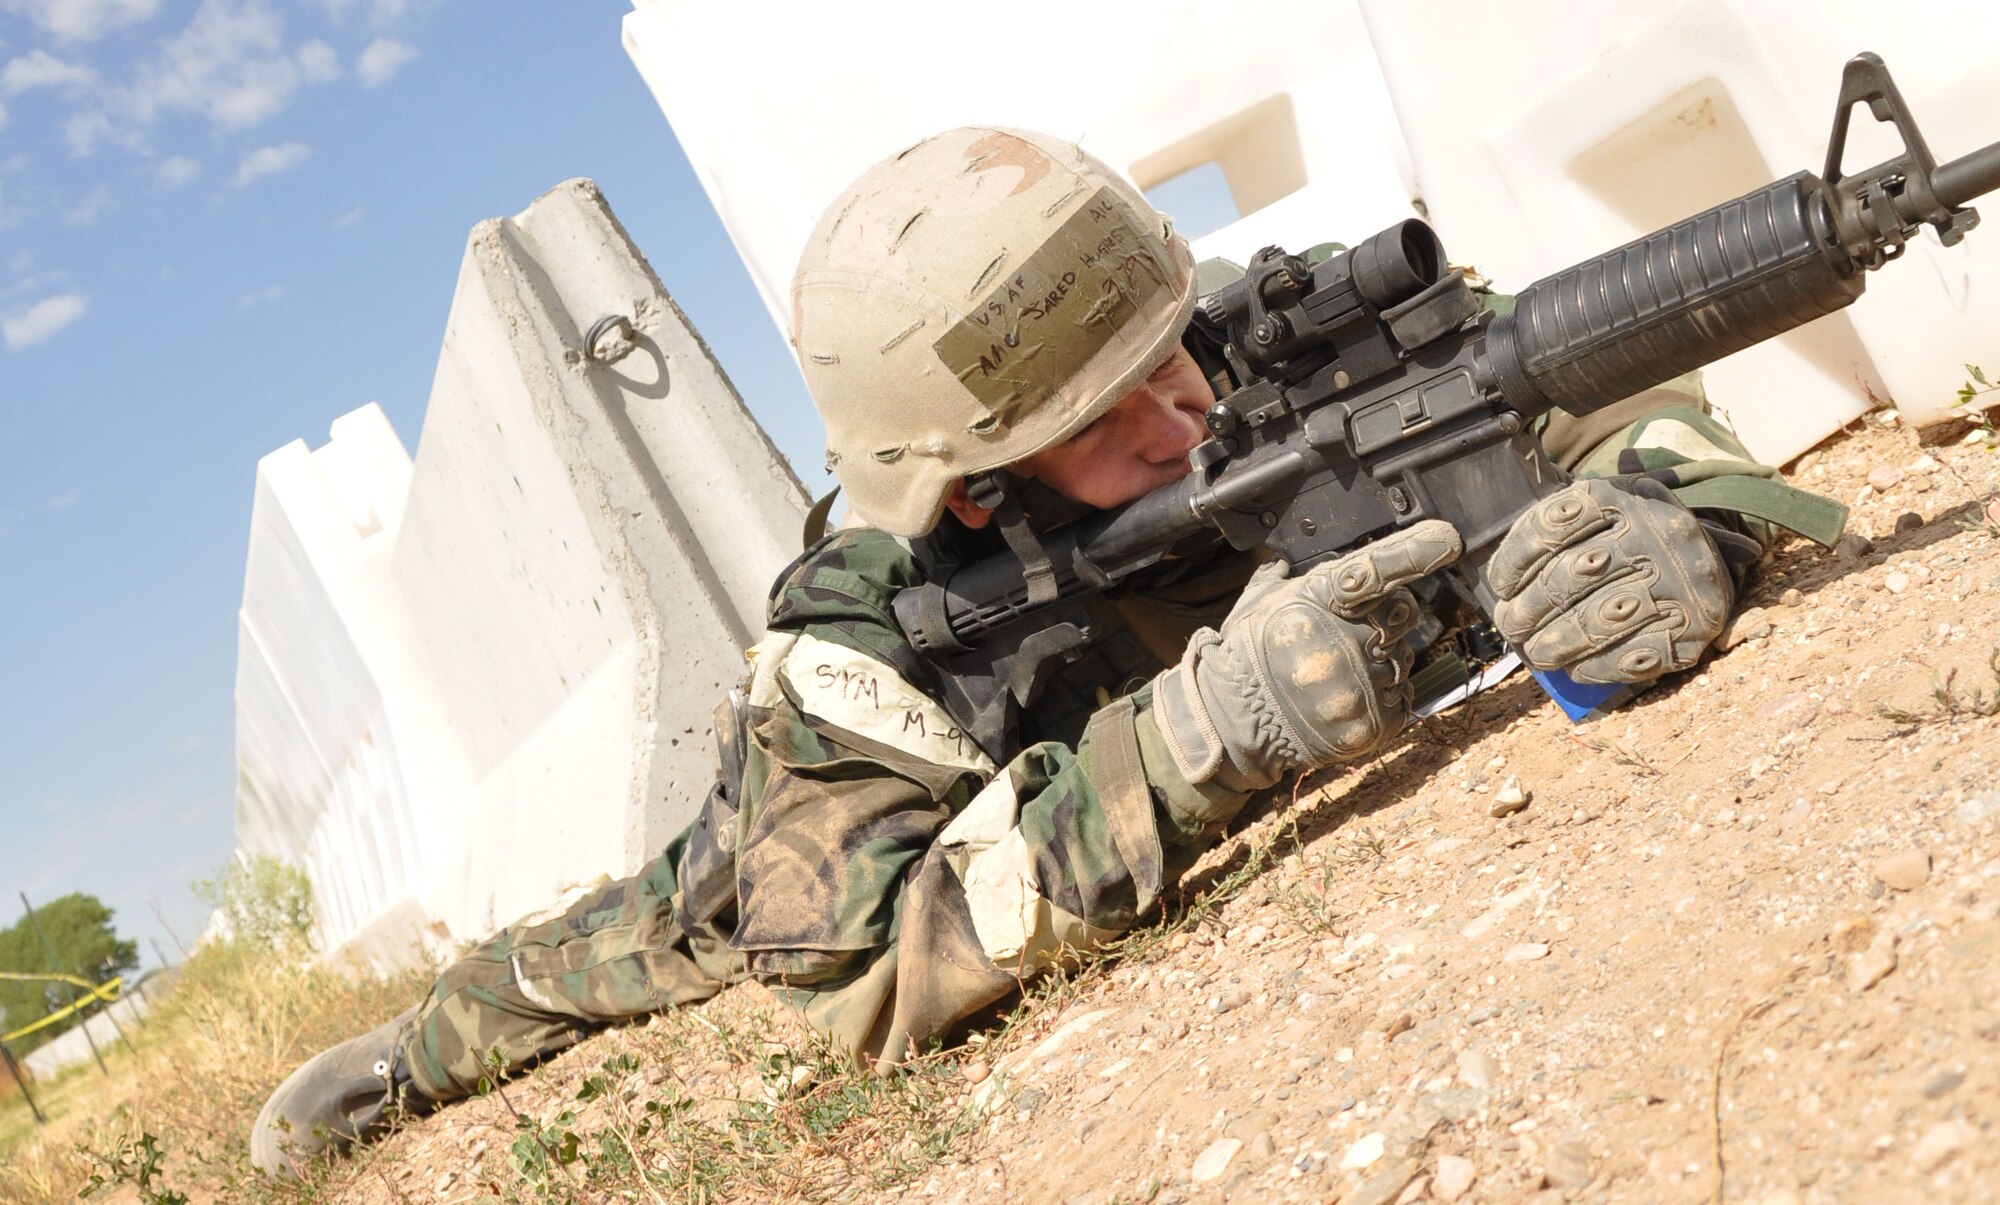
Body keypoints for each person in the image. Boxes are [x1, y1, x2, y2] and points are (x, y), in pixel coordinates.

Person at [250, 126, 1836, 1179]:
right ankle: (408, 1047)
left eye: (1171, 358)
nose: (1185, 413)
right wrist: (1206, 734)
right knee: (656, 926)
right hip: (830, 825)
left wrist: (1681, 525)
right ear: (979, 480)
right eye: (1111, 416)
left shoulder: (1255, 336)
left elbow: (1597, 402)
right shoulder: (857, 635)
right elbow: (862, 971)